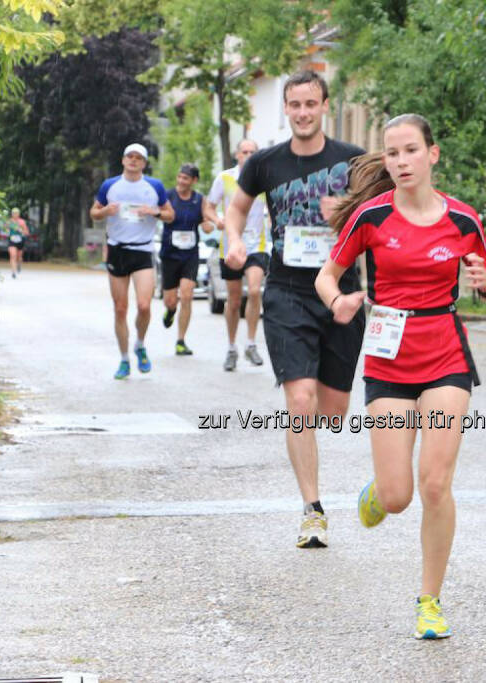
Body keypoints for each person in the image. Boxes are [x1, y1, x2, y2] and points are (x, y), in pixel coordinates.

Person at [316, 114, 486, 640]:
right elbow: (327, 273)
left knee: (436, 484)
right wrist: (340, 300)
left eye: (410, 151)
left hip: (445, 357)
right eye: (392, 153)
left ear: (432, 154)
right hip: (388, 361)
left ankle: (430, 601)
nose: (400, 162)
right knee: (398, 497)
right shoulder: (371, 217)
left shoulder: (463, 220)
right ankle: (380, 490)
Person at [223, 70, 365, 548]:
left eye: (311, 103)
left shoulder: (352, 161)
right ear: (285, 109)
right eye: (294, 104)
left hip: (342, 291)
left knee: (332, 411)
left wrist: (344, 211)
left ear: (325, 105)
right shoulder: (264, 163)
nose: (302, 112)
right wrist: (234, 241)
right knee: (299, 400)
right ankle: (313, 509)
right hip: (285, 291)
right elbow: (238, 209)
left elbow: (385, 212)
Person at [90, 143, 174, 380]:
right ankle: (125, 359)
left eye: (139, 158)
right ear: (123, 160)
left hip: (143, 250)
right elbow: (93, 213)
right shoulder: (110, 185)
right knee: (120, 309)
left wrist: (154, 212)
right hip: (117, 249)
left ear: (144, 163)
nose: (134, 160)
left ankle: (140, 343)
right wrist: (106, 211)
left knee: (145, 305)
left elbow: (170, 215)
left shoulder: (154, 186)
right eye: (130, 156)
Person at [204, 139, 269, 371]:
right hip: (231, 245)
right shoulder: (225, 178)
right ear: (237, 154)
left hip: (256, 246)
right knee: (233, 301)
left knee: (253, 291)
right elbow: (208, 207)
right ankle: (231, 347)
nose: (249, 155)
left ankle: (251, 344)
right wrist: (217, 220)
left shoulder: (264, 178)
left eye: (253, 151)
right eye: (245, 151)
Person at [160, 163, 211, 356]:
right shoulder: (167, 196)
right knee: (171, 301)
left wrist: (208, 225)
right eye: (179, 177)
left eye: (186, 178)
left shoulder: (199, 200)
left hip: (190, 254)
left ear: (194, 181)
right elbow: (160, 215)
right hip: (169, 254)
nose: (181, 181)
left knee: (187, 295)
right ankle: (170, 311)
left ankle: (180, 340)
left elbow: (206, 220)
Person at [7, 208, 28, 278]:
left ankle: (19, 264)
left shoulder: (22, 222)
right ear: (12, 214)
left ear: (19, 214)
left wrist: (20, 230)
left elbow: (26, 232)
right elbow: (5, 230)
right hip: (12, 240)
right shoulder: (9, 222)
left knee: (19, 257)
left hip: (20, 240)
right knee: (13, 255)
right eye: (13, 213)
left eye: (16, 213)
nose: (15, 214)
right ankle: (13, 272)